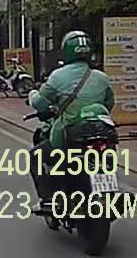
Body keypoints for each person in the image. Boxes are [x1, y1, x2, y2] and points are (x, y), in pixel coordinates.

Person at [26, 30, 114, 207]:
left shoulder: (58, 76)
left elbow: (39, 103)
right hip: (102, 134)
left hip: (69, 136)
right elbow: (109, 103)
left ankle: (48, 199)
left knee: (35, 156)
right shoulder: (101, 78)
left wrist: (32, 93)